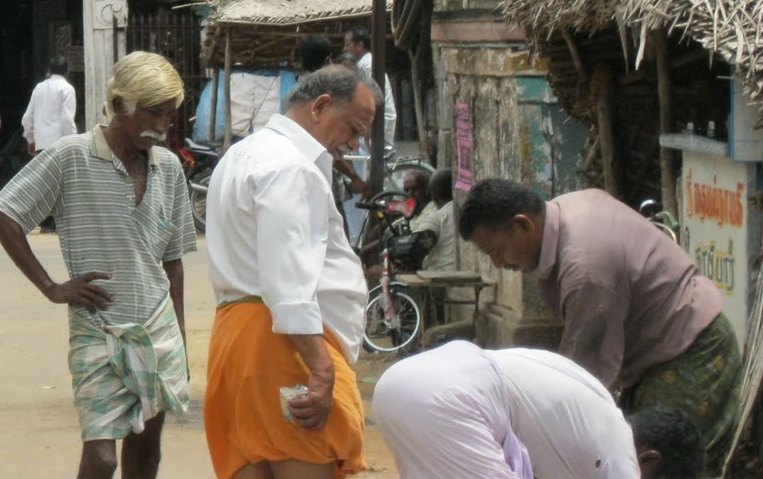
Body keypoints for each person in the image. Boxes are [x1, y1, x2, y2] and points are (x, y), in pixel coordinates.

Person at [0, 52, 194, 479]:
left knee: (147, 448)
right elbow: (4, 214)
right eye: (154, 112)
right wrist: (51, 287)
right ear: (120, 106)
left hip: (158, 326)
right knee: (101, 458)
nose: (163, 124)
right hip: (97, 328)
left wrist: (182, 340)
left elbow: (173, 264)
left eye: (170, 114)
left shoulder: (170, 168)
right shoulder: (71, 156)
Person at [459, 179, 741, 470]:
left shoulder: (586, 271)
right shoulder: (571, 205)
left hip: (693, 350)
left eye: (497, 251)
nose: (498, 263)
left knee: (653, 463)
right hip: (664, 348)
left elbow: (582, 381)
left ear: (523, 225)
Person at [203, 64, 380, 479]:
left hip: (237, 341)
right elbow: (288, 284)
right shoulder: (289, 167)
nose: (353, 143)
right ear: (320, 107)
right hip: (282, 348)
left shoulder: (243, 154)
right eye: (353, 128)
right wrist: (321, 369)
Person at [373, 340, 701, 479]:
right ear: (648, 460)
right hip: (446, 401)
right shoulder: (620, 455)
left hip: (405, 384)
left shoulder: (596, 407)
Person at [22, 54, 79, 234]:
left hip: (41, 143)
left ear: (49, 71)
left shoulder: (39, 88)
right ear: (67, 71)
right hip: (60, 142)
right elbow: (66, 120)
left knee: (45, 183)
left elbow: (27, 117)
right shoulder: (67, 89)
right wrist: (74, 141)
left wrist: (30, 139)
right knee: (62, 183)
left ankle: (46, 221)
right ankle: (57, 221)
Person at [341, 27, 395, 147]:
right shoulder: (366, 64)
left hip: (377, 122)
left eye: (348, 45)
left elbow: (372, 99)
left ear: (359, 45)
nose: (345, 49)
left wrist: (367, 128)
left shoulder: (367, 66)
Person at [410, 169, 458, 273]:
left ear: (433, 195)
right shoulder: (460, 210)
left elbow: (415, 246)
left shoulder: (438, 216)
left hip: (440, 276)